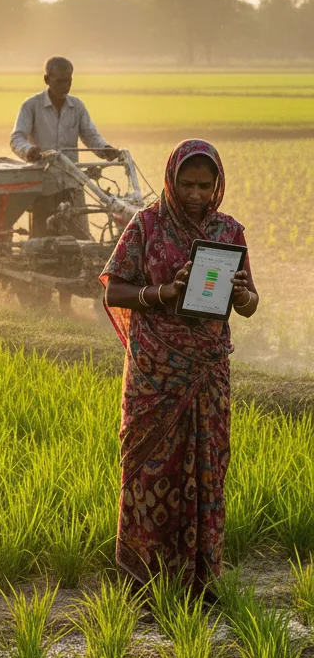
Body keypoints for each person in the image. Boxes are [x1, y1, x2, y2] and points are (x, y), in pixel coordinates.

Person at [100, 139, 258, 602]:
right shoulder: (145, 226)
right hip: (154, 372)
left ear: (217, 186)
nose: (195, 194)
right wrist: (163, 293)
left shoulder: (229, 232)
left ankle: (200, 578)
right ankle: (143, 580)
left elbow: (248, 305)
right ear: (170, 180)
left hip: (207, 371)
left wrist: (242, 293)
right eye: (187, 184)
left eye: (205, 187)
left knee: (208, 467)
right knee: (149, 469)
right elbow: (114, 291)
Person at [10, 56, 119, 242]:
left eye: (68, 81)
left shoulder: (77, 107)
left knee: (80, 238)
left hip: (72, 183)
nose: (65, 86)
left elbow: (90, 135)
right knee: (43, 242)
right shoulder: (31, 106)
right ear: (47, 80)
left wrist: (105, 149)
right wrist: (29, 151)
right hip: (44, 186)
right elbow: (16, 138)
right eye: (59, 81)